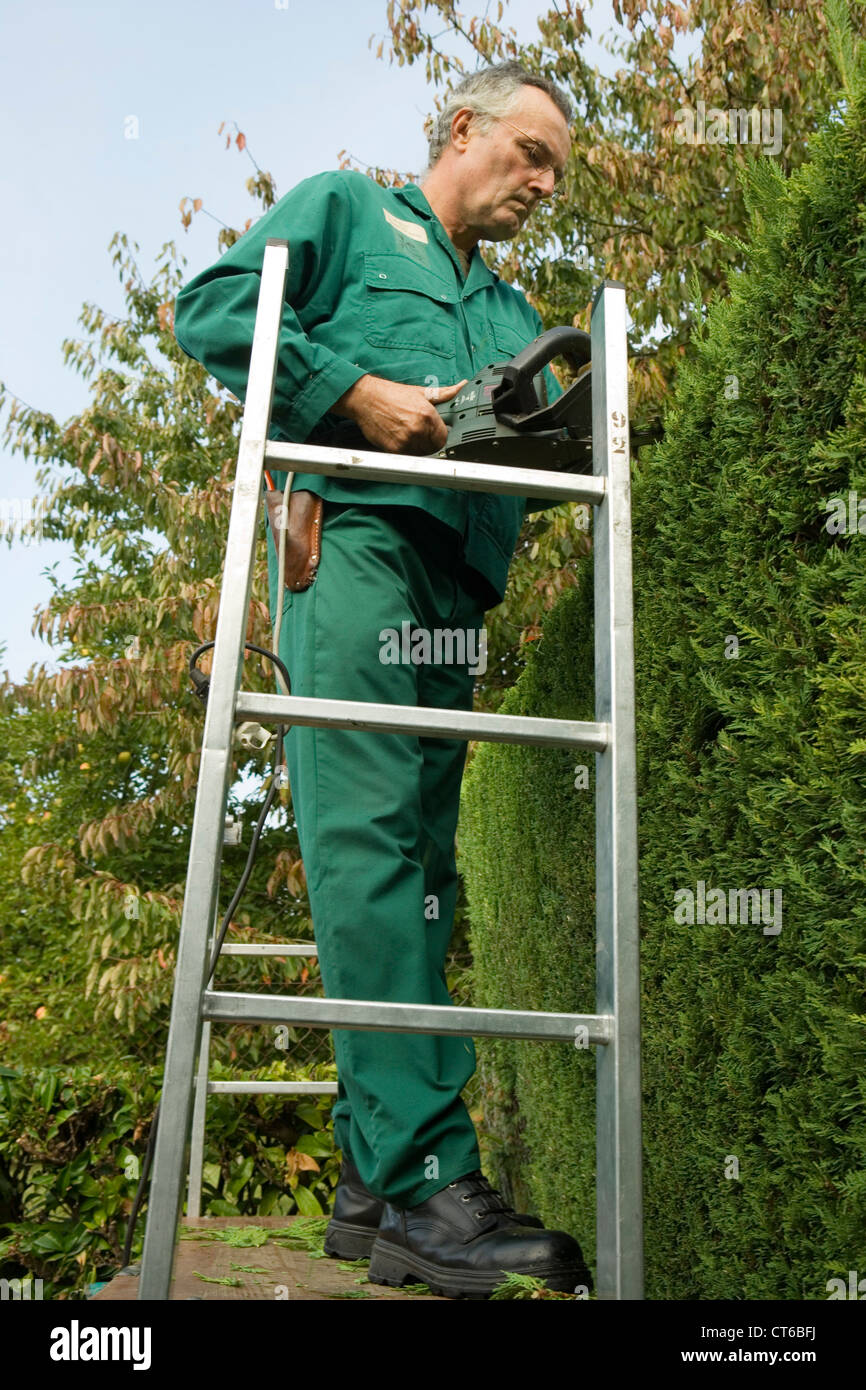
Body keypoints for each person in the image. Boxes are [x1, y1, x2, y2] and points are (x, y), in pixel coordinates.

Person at [173, 60, 591, 1298]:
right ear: (461, 128)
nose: (543, 184)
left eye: (556, 171)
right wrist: (349, 392)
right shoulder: (349, 214)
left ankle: (367, 1178)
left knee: (428, 871)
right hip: (351, 547)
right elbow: (209, 307)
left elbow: (553, 440)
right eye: (531, 154)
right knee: (365, 844)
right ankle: (423, 1182)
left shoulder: (516, 317)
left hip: (455, 596)